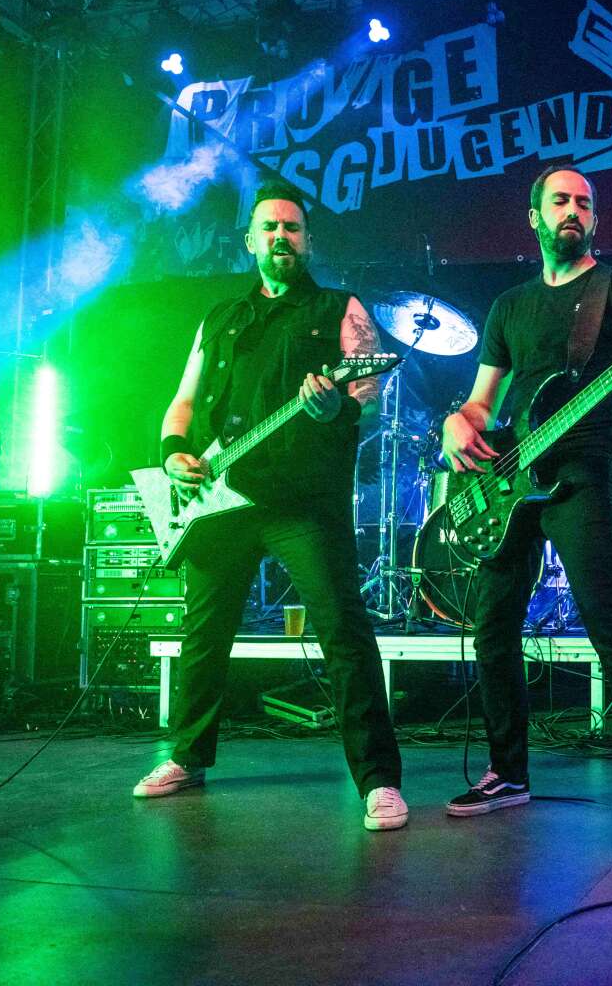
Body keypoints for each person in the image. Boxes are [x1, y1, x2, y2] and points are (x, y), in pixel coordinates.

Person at [439, 165, 612, 879]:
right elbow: (483, 405)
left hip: (583, 478)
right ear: (533, 216)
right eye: (560, 201)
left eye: (585, 204)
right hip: (511, 481)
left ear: (594, 221)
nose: (574, 210)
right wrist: (456, 423)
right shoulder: (509, 306)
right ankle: (509, 771)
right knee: (492, 622)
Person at [132, 181, 407, 832]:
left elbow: (367, 393)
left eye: (293, 227)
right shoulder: (222, 319)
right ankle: (185, 757)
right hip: (219, 494)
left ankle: (378, 781)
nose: (282, 237)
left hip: (303, 498)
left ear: (307, 241)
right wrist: (175, 452)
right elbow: (184, 399)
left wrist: (337, 402)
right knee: (203, 633)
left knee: (341, 629)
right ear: (251, 240)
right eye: (271, 228)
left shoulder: (340, 309)